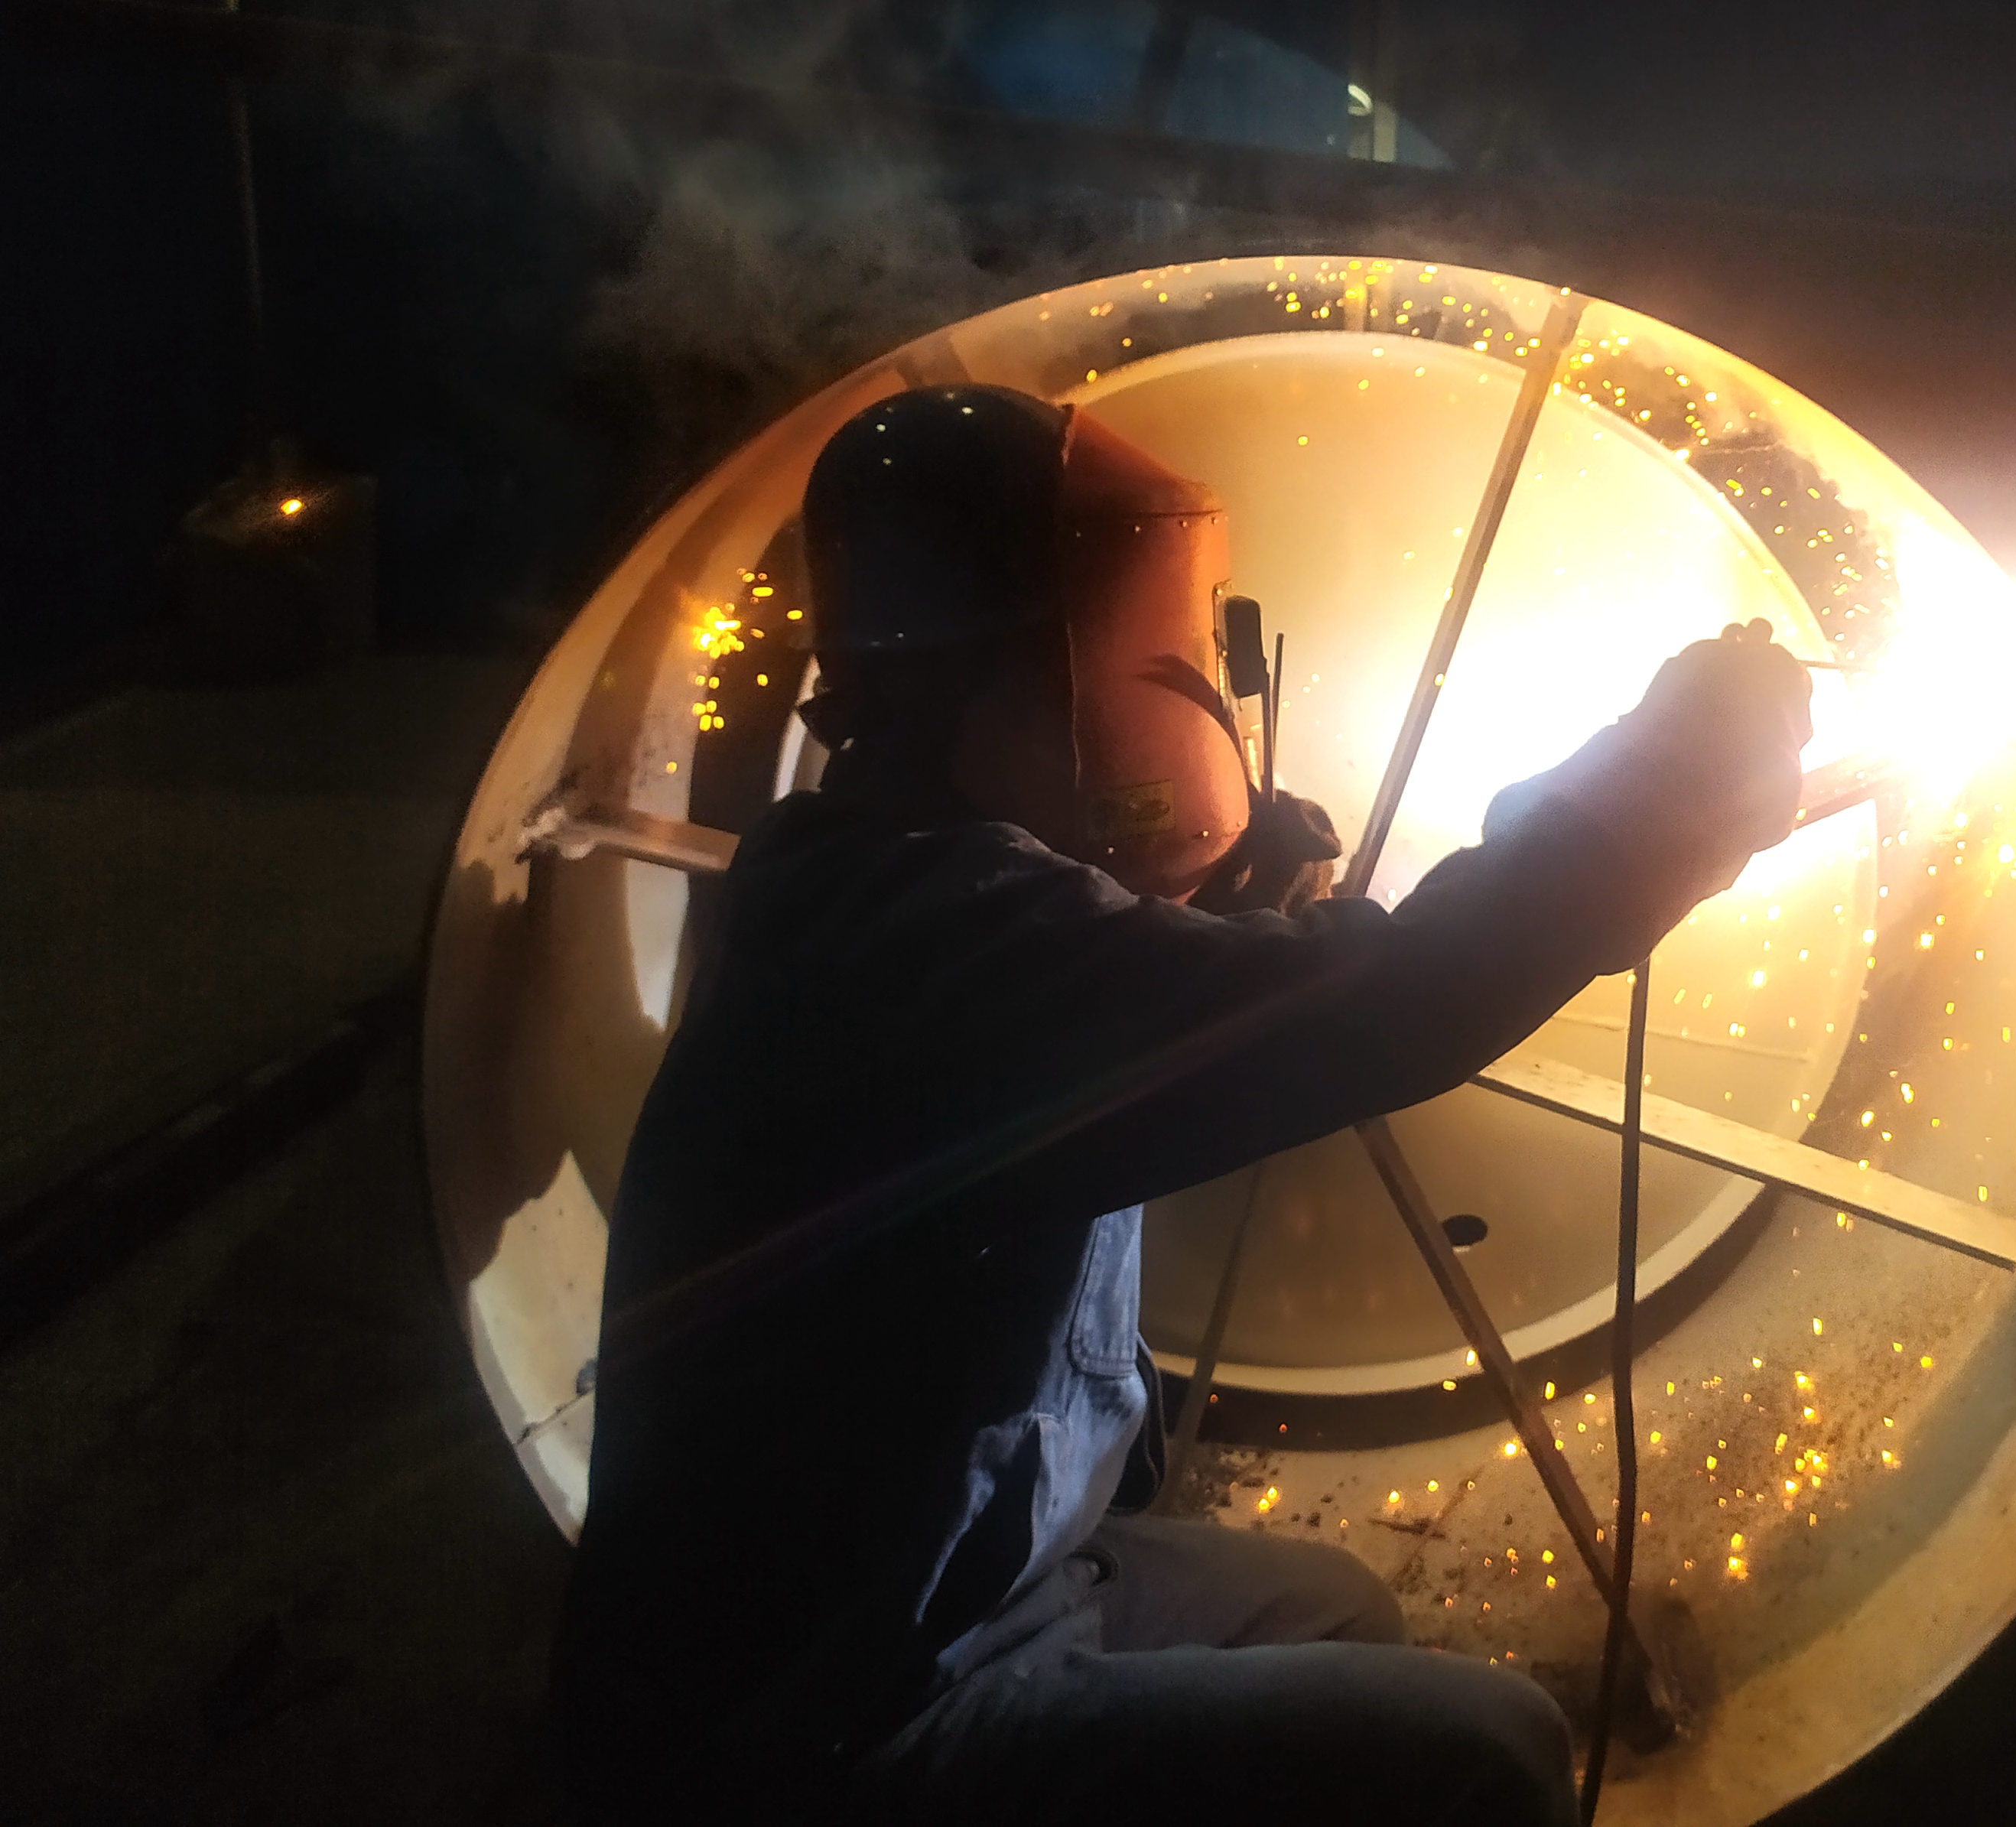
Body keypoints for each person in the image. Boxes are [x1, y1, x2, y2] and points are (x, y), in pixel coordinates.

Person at [551, 385, 1813, 1825]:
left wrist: (1214, 909)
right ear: (1063, 663)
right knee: (1496, 1753)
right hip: (833, 1713)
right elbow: (1389, 1011)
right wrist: (1659, 790)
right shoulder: (942, 936)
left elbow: (1073, 1020)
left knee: (1332, 1607)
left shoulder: (864, 868)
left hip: (953, 1576)